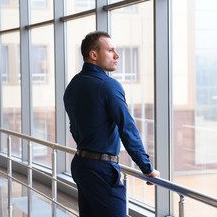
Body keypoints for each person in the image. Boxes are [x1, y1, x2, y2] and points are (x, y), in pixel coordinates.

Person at [63, 31, 160, 217]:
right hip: (101, 171)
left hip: (81, 165)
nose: (117, 56)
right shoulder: (108, 85)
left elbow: (74, 126)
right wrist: (146, 168)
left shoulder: (73, 85)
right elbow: (127, 129)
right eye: (110, 50)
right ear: (93, 54)